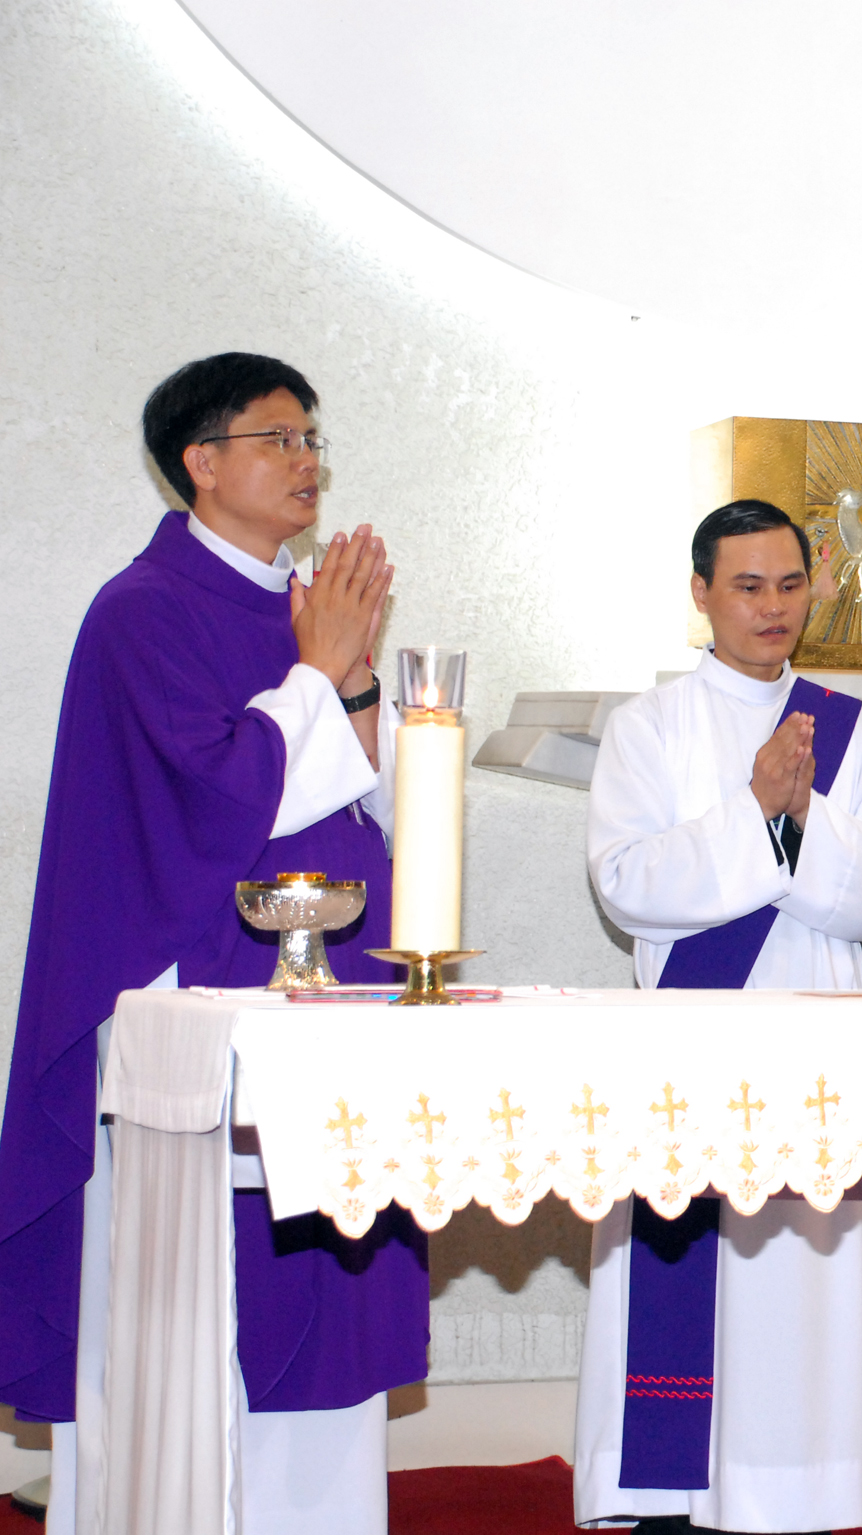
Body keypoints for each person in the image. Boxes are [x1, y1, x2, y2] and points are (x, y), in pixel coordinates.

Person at [0, 353, 430, 1534]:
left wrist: (349, 682)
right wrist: (317, 668)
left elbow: (356, 804)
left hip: (328, 998)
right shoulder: (142, 610)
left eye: (312, 439)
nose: (307, 461)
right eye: (278, 438)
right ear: (201, 460)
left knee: (324, 1283)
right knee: (195, 1309)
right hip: (192, 1010)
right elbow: (216, 797)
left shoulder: (299, 605)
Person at [577, 498, 862, 1532]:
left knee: (801, 1292)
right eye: (746, 586)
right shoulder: (648, 727)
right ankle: (670, 1498)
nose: (772, 607)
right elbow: (626, 883)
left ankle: (799, 1491)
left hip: (815, 1053)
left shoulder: (853, 731)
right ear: (701, 594)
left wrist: (801, 814)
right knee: (692, 1282)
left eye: (789, 584)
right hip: (691, 1055)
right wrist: (755, 813)